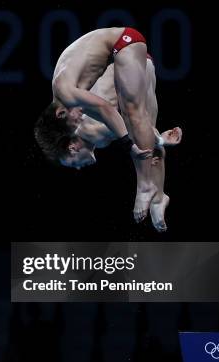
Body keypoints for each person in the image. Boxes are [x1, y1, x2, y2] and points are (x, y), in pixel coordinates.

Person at [35, 27, 168, 224]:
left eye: (74, 123)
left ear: (60, 114)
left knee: (134, 116)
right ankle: (158, 197)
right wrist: (148, 140)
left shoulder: (66, 93)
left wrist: (137, 143)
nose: (79, 120)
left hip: (124, 44)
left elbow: (107, 109)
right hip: (127, 55)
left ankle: (146, 187)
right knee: (141, 126)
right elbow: (109, 114)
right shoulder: (69, 100)